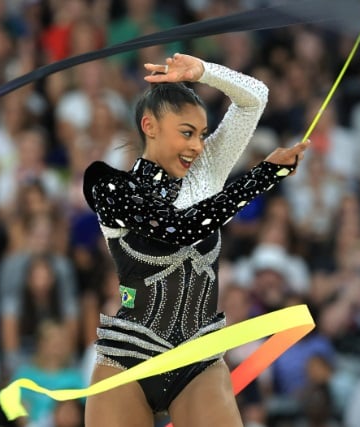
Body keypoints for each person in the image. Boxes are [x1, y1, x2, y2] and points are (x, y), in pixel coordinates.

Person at [82, 53, 307, 426]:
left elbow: (255, 96)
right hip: (128, 359)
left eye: (202, 134)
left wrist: (203, 72)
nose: (198, 146)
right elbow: (178, 229)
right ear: (149, 126)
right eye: (187, 133)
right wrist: (262, 176)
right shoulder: (108, 184)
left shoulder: (206, 175)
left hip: (197, 357)